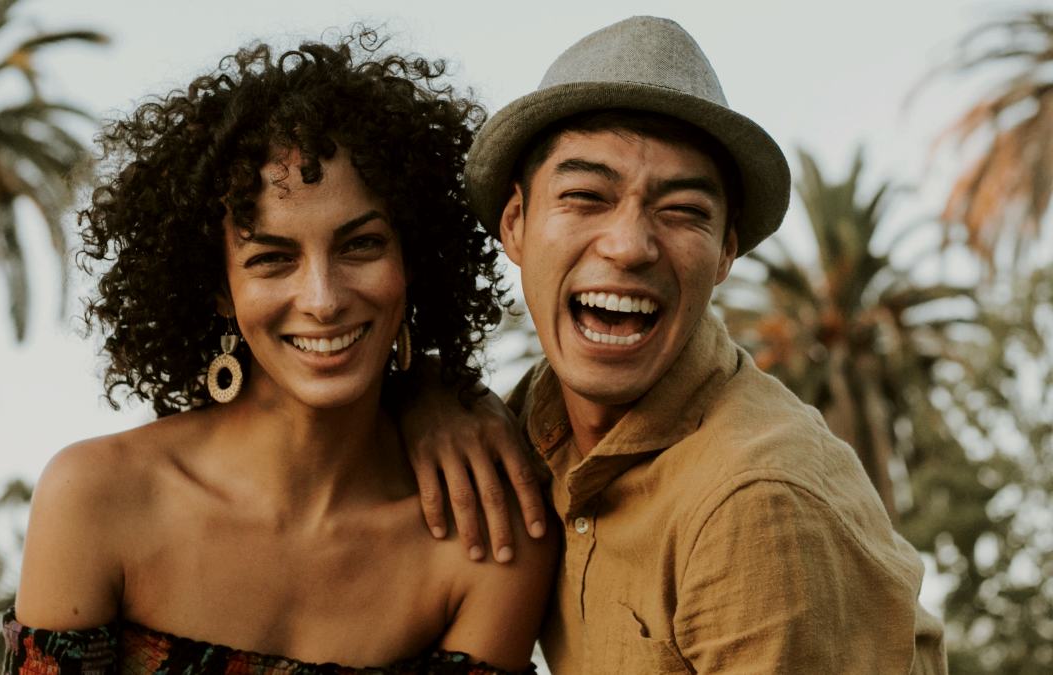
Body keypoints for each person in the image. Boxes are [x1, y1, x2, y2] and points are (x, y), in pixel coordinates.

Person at [403, 16, 948, 673]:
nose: (630, 245)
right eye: (584, 196)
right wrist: (421, 393)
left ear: (725, 253)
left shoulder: (756, 502)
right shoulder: (535, 424)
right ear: (515, 224)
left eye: (683, 210)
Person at [4, 31, 555, 674]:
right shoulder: (98, 499)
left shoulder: (485, 539)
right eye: (272, 258)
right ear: (218, 286)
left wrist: (446, 389)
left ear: (415, 260)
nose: (322, 299)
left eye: (361, 246)